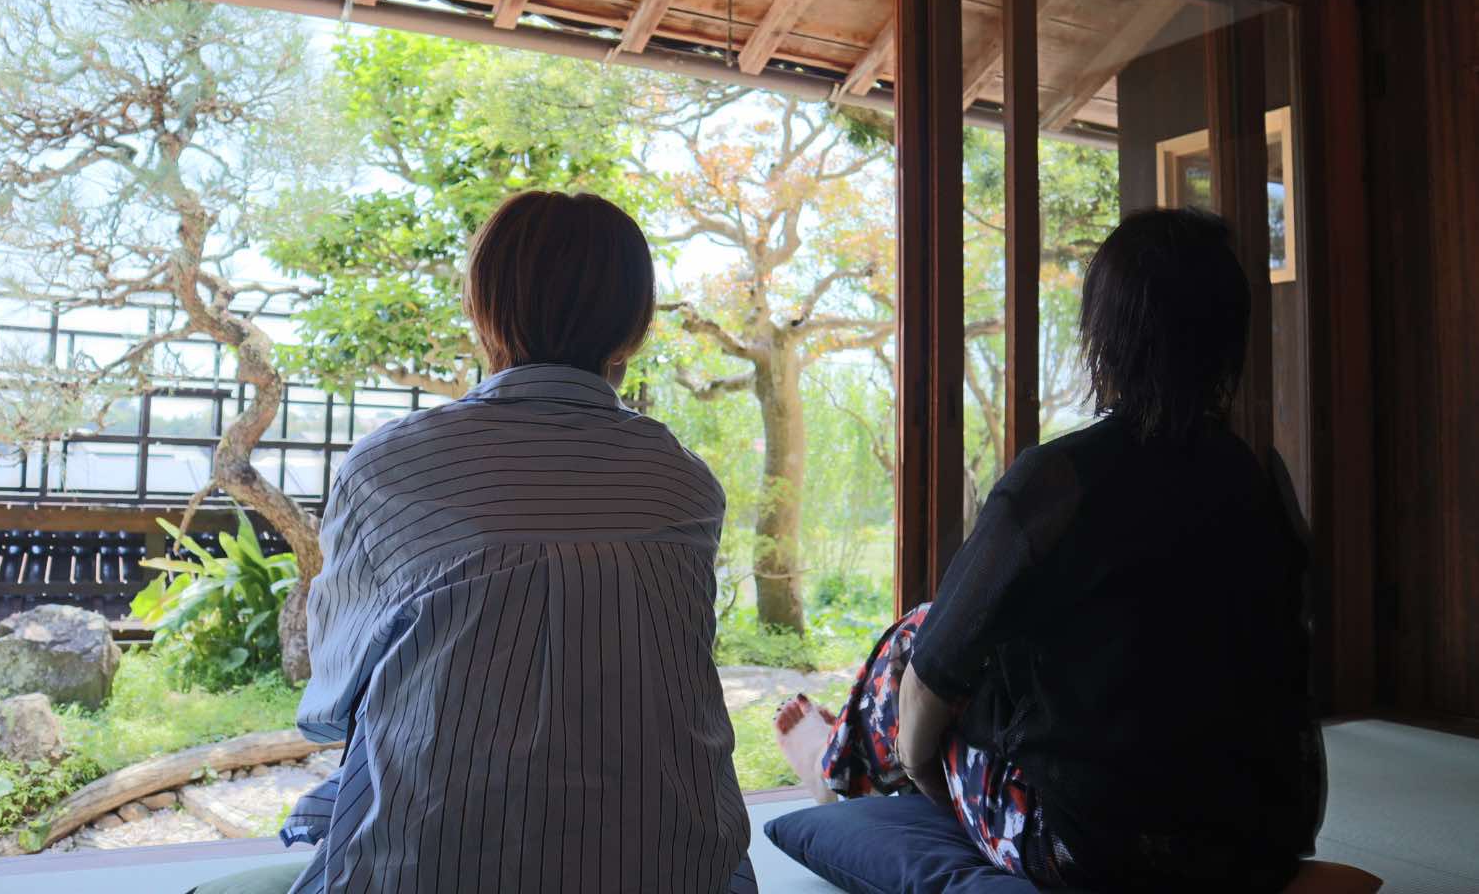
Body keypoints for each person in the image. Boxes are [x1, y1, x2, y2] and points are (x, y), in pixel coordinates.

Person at [194, 191, 752, 894]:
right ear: (634, 330)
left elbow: (332, 703)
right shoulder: (684, 482)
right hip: (678, 870)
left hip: (425, 871)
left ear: (482, 312)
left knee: (340, 805)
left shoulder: (389, 466)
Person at [774, 208, 1323, 892]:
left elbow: (928, 682)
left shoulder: (1057, 481)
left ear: (1106, 338)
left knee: (918, 637)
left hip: (1095, 846)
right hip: (1256, 837)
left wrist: (926, 777)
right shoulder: (1262, 479)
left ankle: (833, 774)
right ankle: (838, 756)